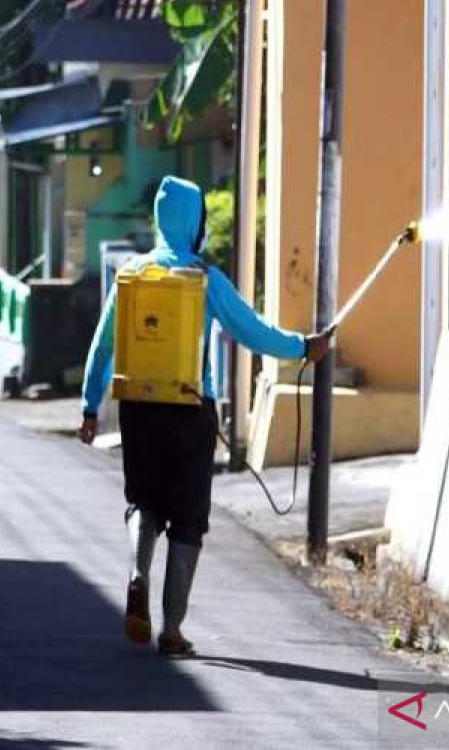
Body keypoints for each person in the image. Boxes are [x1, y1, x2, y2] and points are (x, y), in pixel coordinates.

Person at [79, 175, 331, 657]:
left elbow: (103, 344)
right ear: (194, 223)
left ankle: (137, 574)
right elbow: (252, 331)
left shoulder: (132, 275)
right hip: (191, 409)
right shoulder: (204, 279)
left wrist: (91, 407)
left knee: (143, 502)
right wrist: (304, 347)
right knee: (188, 518)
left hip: (138, 406)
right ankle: (172, 630)